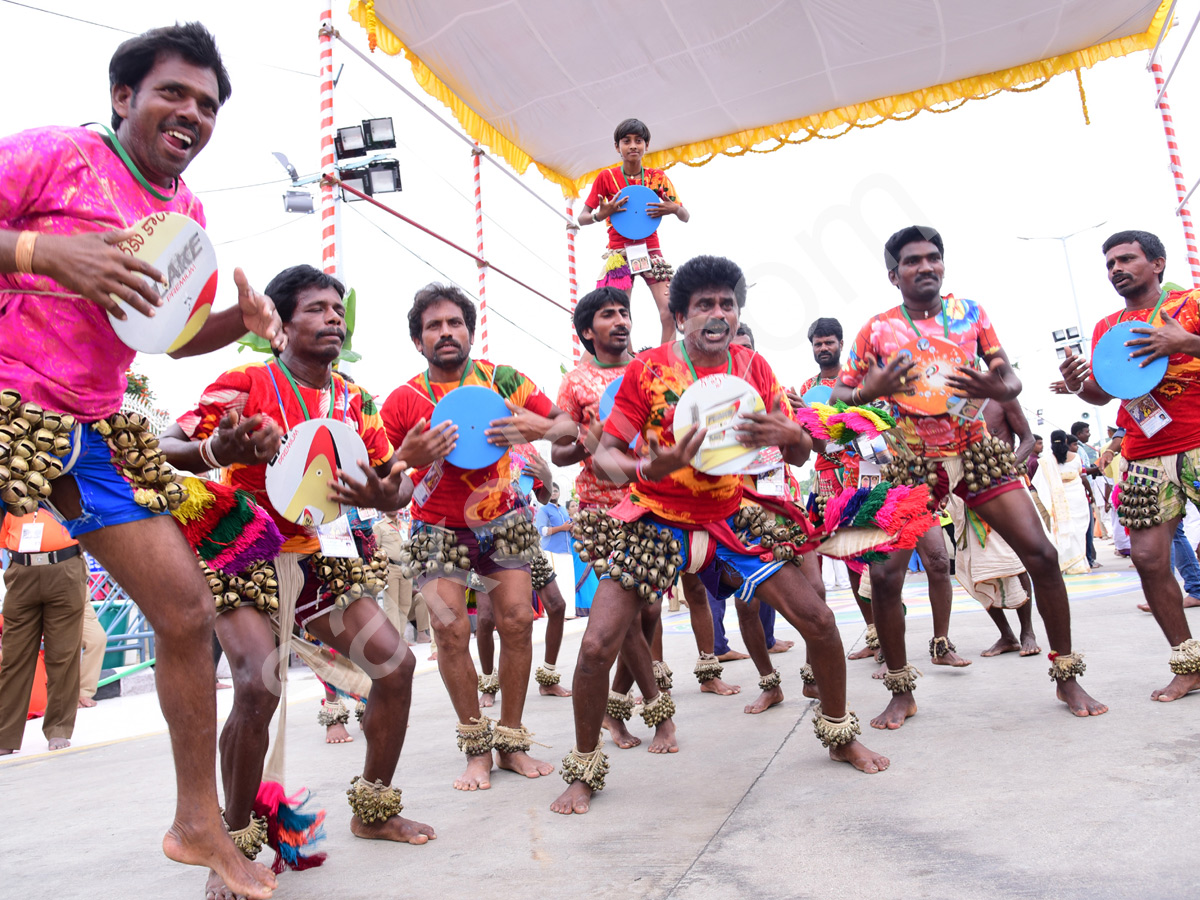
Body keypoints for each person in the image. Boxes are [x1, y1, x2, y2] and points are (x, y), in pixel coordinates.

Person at [0, 23, 286, 898]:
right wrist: (41, 251)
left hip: (89, 429)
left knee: (185, 607)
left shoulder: (186, 216)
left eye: (206, 105)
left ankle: (198, 821)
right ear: (124, 97)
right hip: (5, 399)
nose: (190, 113)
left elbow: (165, 336)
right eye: (173, 93)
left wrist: (242, 322)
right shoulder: (55, 154)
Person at [552, 255, 891, 817]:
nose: (718, 313)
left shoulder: (753, 368)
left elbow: (801, 450)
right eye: (704, 304)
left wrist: (793, 436)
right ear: (680, 315)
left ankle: (838, 733)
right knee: (594, 647)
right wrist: (647, 469)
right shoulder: (648, 370)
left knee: (821, 622)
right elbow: (607, 454)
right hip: (655, 514)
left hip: (732, 513)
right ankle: (585, 768)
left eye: (727, 304)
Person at [161, 264, 433, 895]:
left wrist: (395, 475)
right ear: (280, 324)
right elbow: (163, 443)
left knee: (395, 668)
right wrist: (218, 451)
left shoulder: (354, 400)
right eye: (316, 308)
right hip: (243, 552)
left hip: (322, 558)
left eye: (338, 308)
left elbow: (388, 489)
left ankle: (374, 809)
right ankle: (229, 847)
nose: (333, 317)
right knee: (257, 684)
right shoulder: (245, 381)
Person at [832, 225, 1107, 728]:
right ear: (894, 275)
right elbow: (838, 398)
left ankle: (1066, 674)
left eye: (933, 258)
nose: (926, 267)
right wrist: (870, 389)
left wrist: (996, 383)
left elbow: (1010, 379)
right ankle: (900, 689)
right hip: (912, 460)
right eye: (913, 261)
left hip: (974, 449)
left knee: (1042, 555)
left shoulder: (971, 314)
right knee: (885, 575)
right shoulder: (876, 329)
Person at [381, 283, 573, 791]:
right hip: (436, 527)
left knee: (515, 624)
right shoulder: (404, 400)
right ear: (418, 342)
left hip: (504, 520)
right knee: (450, 633)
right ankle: (476, 750)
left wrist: (534, 426)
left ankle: (511, 742)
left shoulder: (503, 380)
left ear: (469, 330)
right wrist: (407, 458)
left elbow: (569, 428)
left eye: (455, 323)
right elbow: (391, 483)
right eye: (433, 326)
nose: (446, 333)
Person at [1059, 229, 1200, 701]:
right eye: (1109, 264)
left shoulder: (1191, 304)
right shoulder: (1108, 326)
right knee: (1146, 557)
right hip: (1143, 451)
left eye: (1126, 259)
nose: (1116, 269)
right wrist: (1080, 384)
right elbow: (1105, 392)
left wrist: (1187, 342)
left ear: (1157, 263)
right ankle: (1189, 663)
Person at [578, 118, 690, 344]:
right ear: (617, 146)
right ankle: (627, 362)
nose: (632, 146)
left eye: (638, 141)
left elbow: (685, 215)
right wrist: (601, 214)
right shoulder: (606, 178)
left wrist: (674, 209)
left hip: (652, 251)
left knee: (670, 310)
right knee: (619, 315)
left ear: (647, 145)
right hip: (619, 255)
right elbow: (582, 218)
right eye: (626, 141)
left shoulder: (657, 177)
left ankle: (666, 361)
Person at [951, 396, 1041, 657]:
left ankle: (1028, 632)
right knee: (976, 566)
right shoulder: (947, 404)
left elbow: (1028, 439)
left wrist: (1005, 469)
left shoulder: (1001, 396)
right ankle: (1006, 635)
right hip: (965, 492)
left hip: (1003, 485)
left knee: (1015, 559)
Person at [0, 510, 88, 753]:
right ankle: (4, 736)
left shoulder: (62, 483)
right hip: (21, 570)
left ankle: (59, 729)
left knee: (62, 654)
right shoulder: (10, 491)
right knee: (13, 657)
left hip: (65, 566)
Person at [1031, 431, 1092, 575]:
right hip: (1077, 498)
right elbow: (1080, 475)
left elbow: (1039, 482)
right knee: (1077, 530)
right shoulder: (1076, 457)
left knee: (1063, 530)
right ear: (1065, 440)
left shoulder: (1046, 461)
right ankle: (1078, 564)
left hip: (1059, 500)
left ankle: (1066, 563)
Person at [374, 510, 430, 644]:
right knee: (392, 604)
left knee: (405, 603)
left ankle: (402, 637)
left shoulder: (405, 525)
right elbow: (375, 549)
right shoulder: (379, 526)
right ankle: (395, 641)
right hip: (390, 567)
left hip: (406, 567)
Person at [535, 481, 576, 615]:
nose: (554, 493)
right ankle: (555, 614)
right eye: (551, 491)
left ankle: (569, 612)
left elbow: (568, 528)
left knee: (568, 582)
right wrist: (562, 528)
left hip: (567, 550)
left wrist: (571, 529)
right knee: (557, 583)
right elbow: (543, 531)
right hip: (552, 550)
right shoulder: (544, 510)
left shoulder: (564, 509)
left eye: (556, 491)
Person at [1071, 421, 1102, 567]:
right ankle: (1088, 559)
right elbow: (1083, 472)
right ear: (1078, 434)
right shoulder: (1076, 452)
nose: (1089, 434)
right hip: (1082, 495)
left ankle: (1088, 558)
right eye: (1086, 432)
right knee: (1086, 528)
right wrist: (1097, 468)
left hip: (1082, 494)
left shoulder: (1079, 449)